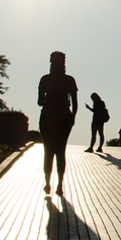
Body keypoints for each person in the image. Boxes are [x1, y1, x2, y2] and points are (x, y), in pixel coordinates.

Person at [37, 51, 78, 196]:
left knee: (51, 152)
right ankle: (55, 184)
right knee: (57, 152)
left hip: (54, 118)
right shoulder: (68, 80)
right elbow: (74, 103)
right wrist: (72, 116)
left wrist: (49, 99)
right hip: (59, 118)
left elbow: (39, 101)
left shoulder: (47, 79)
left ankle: (52, 184)